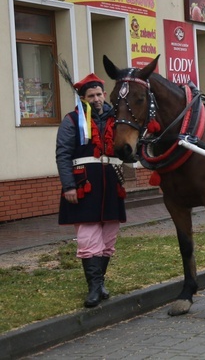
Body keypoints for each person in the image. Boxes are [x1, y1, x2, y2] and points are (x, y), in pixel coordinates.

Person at [56, 73, 126, 308]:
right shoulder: (71, 120)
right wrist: (68, 186)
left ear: (104, 95)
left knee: (108, 237)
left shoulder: (117, 118)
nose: (96, 99)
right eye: (91, 95)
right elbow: (63, 155)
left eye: (99, 94)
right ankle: (94, 288)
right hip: (84, 184)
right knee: (87, 237)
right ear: (83, 98)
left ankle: (100, 282)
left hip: (111, 184)